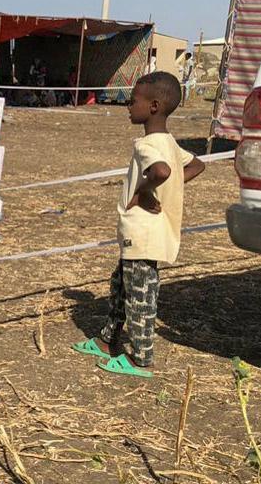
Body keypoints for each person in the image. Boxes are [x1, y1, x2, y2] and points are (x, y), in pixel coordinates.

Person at [72, 72, 205, 377]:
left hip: (143, 233)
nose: (128, 107)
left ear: (154, 106)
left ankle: (140, 359)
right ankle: (108, 340)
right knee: (121, 287)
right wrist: (169, 187)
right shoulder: (168, 142)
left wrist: (145, 190)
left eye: (133, 101)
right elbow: (197, 164)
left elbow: (159, 171)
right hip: (142, 235)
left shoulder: (146, 145)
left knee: (140, 296)